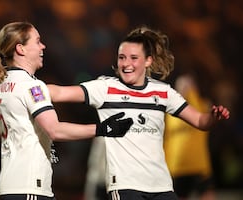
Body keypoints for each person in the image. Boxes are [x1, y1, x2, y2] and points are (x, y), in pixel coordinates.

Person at [47, 25, 230, 200]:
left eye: (133, 58)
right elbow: (58, 92)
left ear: (148, 60)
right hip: (126, 187)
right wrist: (27, 86)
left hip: (161, 187)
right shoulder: (106, 88)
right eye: (121, 57)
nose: (126, 64)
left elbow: (200, 121)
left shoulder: (163, 92)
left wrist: (213, 117)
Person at [0, 21, 133, 200]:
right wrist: (103, 129)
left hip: (12, 185)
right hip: (30, 186)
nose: (43, 46)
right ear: (21, 49)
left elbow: (51, 99)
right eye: (37, 41)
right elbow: (55, 130)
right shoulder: (31, 86)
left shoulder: (6, 84)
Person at [164, 74, 216, 200]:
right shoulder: (168, 113)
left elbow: (210, 113)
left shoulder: (201, 106)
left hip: (199, 165)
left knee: (207, 195)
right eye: (182, 86)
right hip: (177, 167)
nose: (185, 89)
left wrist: (192, 94)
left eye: (189, 86)